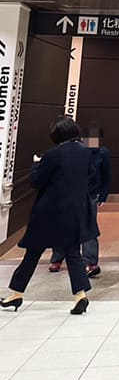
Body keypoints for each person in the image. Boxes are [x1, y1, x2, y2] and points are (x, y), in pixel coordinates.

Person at [2, 116, 98, 315]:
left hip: (49, 213)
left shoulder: (53, 154)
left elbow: (36, 181)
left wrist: (37, 163)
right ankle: (80, 295)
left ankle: (16, 293)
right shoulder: (86, 153)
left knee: (33, 253)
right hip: (74, 211)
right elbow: (90, 176)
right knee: (72, 253)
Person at [49, 127, 110, 277]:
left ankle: (90, 262)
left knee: (88, 227)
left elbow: (106, 176)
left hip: (91, 195)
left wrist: (103, 195)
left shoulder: (102, 153)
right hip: (70, 194)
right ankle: (57, 258)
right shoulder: (77, 151)